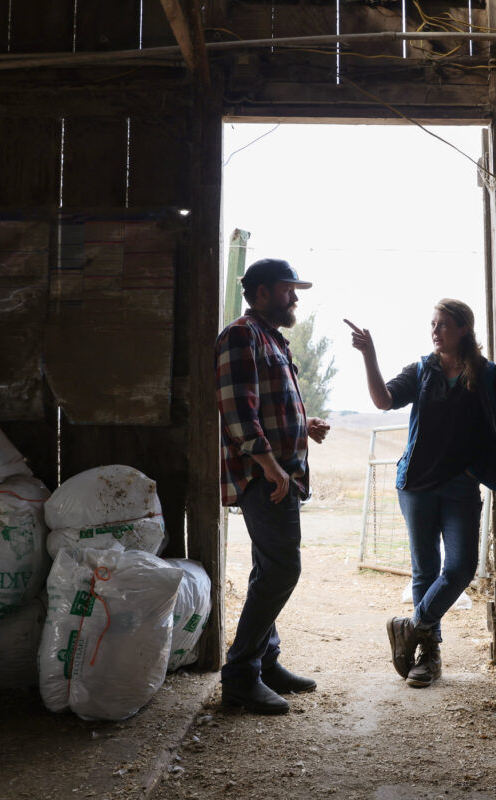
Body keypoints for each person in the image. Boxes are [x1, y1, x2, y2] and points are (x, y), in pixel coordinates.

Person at [346, 299, 496, 688]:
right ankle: (428, 654)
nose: (435, 332)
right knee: (425, 571)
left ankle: (411, 625)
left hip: (460, 485)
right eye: (432, 325)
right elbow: (383, 400)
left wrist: (477, 469)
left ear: (464, 329)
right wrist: (369, 355)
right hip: (416, 485)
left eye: (444, 325)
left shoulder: (486, 374)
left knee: (460, 568)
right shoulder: (422, 370)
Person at [215, 258, 330, 715]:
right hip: (264, 477)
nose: (295, 298)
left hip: (276, 472)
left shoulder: (270, 339)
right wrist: (270, 466)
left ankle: (265, 661)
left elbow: (268, 407)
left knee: (269, 568)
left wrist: (305, 428)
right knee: (282, 570)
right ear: (260, 294)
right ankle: (241, 675)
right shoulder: (240, 335)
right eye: (287, 290)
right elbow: (237, 411)